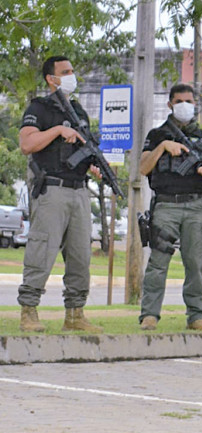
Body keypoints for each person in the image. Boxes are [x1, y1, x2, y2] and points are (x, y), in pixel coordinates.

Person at [17, 55, 102, 333]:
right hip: (51, 189)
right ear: (50, 79)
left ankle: (75, 315)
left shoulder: (79, 111)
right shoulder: (39, 108)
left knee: (80, 257)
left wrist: (94, 165)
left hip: (79, 192)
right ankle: (29, 312)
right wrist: (56, 130)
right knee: (41, 251)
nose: (71, 75)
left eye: (72, 70)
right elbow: (27, 144)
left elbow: (84, 148)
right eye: (65, 72)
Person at [138, 84, 202, 331]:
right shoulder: (156, 134)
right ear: (170, 104)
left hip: (194, 205)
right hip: (166, 204)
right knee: (158, 262)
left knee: (195, 263)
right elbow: (143, 168)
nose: (185, 105)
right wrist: (163, 147)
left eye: (189, 101)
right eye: (180, 100)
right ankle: (149, 315)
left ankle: (196, 316)